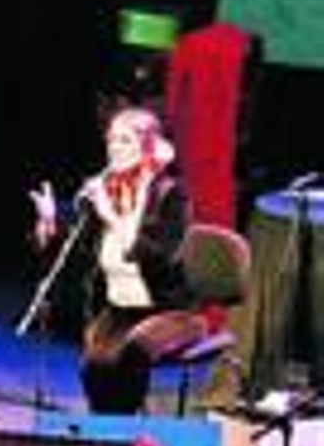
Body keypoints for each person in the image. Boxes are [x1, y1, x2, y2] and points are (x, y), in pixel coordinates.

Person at [28, 104, 209, 414]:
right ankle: (105, 430)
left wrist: (110, 216)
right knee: (94, 366)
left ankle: (127, 432)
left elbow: (162, 257)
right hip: (119, 310)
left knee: (133, 351)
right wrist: (49, 226)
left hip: (168, 310)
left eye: (125, 140)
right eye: (111, 140)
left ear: (149, 146)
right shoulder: (107, 192)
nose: (115, 148)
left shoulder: (171, 195)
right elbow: (76, 250)